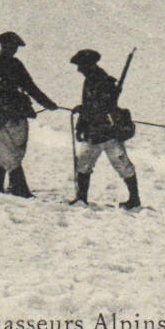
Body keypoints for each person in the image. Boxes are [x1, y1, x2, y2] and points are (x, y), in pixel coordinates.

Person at [0, 30, 57, 197]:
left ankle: (2, 186)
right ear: (4, 45)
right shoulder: (6, 65)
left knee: (5, 150)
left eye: (15, 47)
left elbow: (30, 87)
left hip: (6, 113)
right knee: (14, 151)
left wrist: (47, 103)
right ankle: (17, 188)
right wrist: (47, 103)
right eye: (12, 47)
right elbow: (30, 88)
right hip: (9, 114)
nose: (14, 50)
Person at [69, 49, 140, 210]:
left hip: (108, 132)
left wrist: (83, 112)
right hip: (94, 132)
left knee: (122, 164)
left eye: (80, 65)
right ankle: (82, 198)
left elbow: (102, 106)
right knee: (83, 162)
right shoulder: (90, 80)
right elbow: (88, 104)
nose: (78, 69)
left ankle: (134, 200)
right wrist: (81, 123)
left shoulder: (102, 81)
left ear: (88, 65)